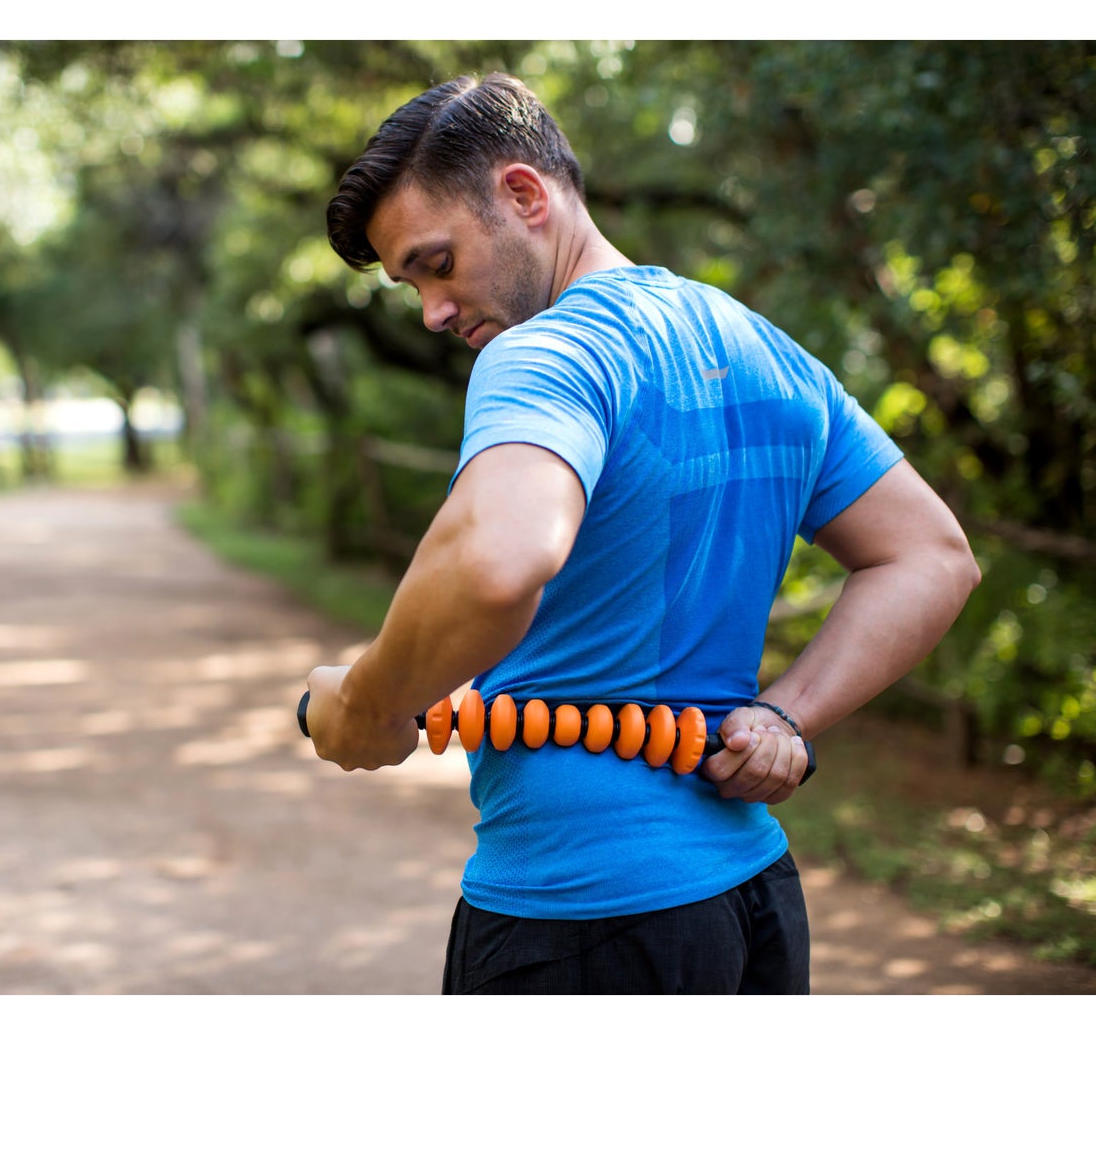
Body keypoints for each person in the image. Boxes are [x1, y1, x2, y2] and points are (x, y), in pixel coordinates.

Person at [302, 72, 981, 994]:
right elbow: (930, 555)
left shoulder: (542, 352)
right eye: (408, 283)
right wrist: (785, 714)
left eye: (436, 262)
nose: (431, 310)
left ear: (523, 195)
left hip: (578, 911)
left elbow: (498, 562)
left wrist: (372, 700)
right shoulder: (758, 344)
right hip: (754, 905)